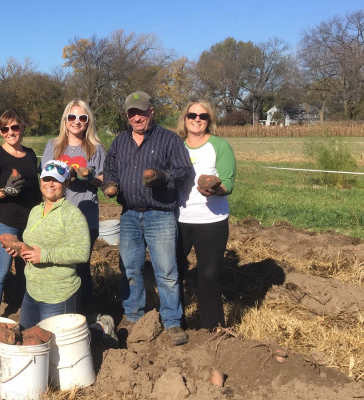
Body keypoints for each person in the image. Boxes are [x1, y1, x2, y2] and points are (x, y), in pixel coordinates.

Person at [102, 90, 192, 346]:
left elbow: (183, 170)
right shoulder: (120, 142)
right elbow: (110, 171)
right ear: (127, 115)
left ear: (151, 111)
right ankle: (133, 315)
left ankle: (172, 321)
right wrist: (110, 185)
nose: (137, 117)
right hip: (129, 215)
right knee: (131, 269)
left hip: (160, 214)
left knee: (166, 271)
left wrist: (163, 177)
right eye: (132, 113)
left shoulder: (169, 140)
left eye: (141, 112)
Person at [6, 160, 117, 343]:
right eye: (46, 178)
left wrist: (44, 255)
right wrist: (19, 250)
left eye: (56, 180)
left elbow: (82, 252)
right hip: (32, 291)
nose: (50, 184)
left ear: (66, 184)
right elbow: (33, 245)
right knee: (27, 340)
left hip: (59, 294)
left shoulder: (71, 214)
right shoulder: (35, 211)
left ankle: (100, 329)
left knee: (61, 346)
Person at [175, 100, 236, 331]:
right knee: (175, 273)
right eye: (192, 115)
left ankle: (213, 327)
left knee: (208, 274)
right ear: (185, 119)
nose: (197, 119)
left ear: (209, 120)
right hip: (179, 220)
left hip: (212, 222)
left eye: (203, 116)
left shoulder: (219, 146)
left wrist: (214, 189)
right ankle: (176, 323)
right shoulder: (176, 145)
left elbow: (228, 182)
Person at [41, 100, 107, 311]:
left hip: (85, 212)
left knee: (81, 265)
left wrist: (87, 178)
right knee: (58, 265)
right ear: (65, 120)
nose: (76, 122)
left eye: (82, 118)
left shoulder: (96, 148)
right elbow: (44, 178)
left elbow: (105, 178)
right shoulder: (53, 146)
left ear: (88, 122)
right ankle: (58, 307)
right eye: (72, 117)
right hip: (57, 214)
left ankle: (85, 313)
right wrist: (65, 177)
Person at [0, 109, 40, 316]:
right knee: (0, 273)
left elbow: (36, 191)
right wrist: (4, 192)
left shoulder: (31, 155)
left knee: (29, 271)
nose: (10, 132)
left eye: (14, 127)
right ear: (0, 132)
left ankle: (28, 316)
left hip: (30, 222)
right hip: (6, 222)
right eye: (5, 128)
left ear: (22, 128)